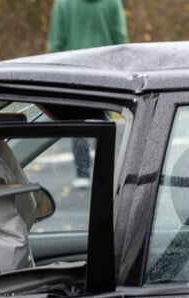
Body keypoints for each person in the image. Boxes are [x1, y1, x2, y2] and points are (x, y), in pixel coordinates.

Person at [48, 0, 128, 187]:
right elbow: (120, 40)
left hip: (74, 75)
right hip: (105, 73)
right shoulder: (112, 3)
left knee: (79, 123)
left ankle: (83, 173)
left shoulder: (63, 4)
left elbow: (56, 45)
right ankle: (108, 172)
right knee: (105, 121)